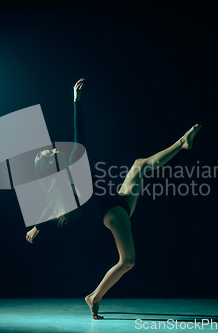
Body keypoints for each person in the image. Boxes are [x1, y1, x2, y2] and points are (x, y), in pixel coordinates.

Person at [26, 78, 202, 319]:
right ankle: (94, 296)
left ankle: (182, 143)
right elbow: (55, 204)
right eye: (49, 152)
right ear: (49, 164)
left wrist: (76, 100)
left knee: (139, 165)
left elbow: (79, 135)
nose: (53, 148)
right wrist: (37, 226)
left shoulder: (73, 161)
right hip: (113, 211)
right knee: (128, 260)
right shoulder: (67, 177)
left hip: (119, 198)